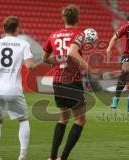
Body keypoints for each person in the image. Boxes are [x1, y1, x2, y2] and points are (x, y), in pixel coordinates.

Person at [42, 5, 99, 160]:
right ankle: (63, 158)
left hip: (57, 80)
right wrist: (90, 69)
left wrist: (59, 62)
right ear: (77, 18)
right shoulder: (78, 34)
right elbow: (72, 52)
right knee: (80, 119)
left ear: (63, 18)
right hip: (72, 81)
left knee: (63, 118)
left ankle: (52, 157)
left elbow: (45, 59)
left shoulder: (53, 35)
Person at [0, 16, 37, 160]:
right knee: (23, 120)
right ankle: (22, 155)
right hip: (13, 89)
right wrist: (37, 65)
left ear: (3, 28)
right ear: (17, 28)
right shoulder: (23, 44)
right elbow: (30, 66)